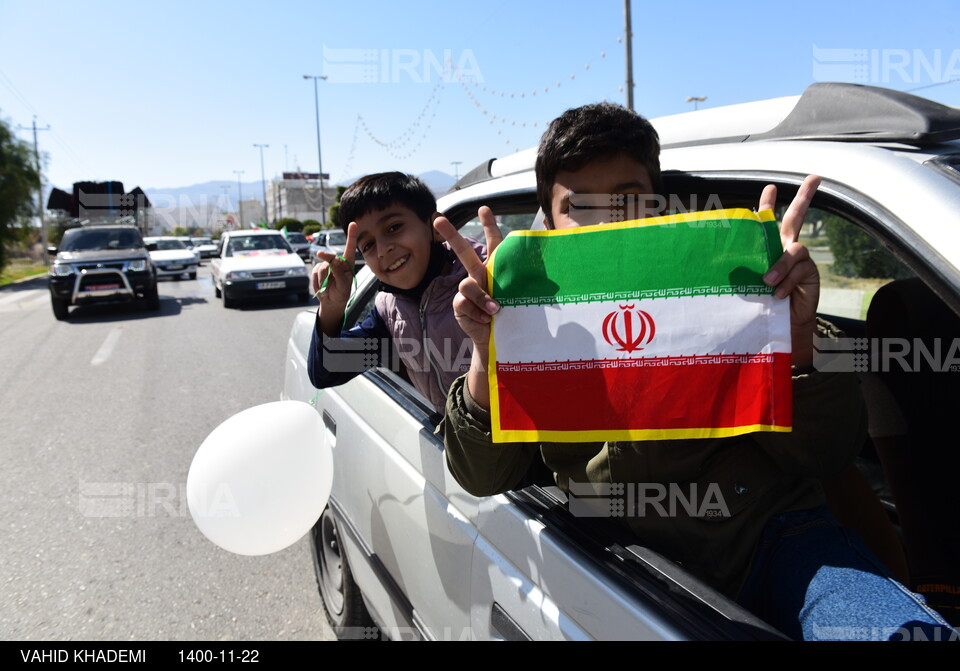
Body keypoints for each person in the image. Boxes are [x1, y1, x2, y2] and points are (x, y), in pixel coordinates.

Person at [433, 103, 957, 641]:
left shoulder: (740, 294)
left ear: (657, 207)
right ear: (549, 219)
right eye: (582, 208)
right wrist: (487, 352)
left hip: (777, 543)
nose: (611, 222)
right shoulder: (534, 325)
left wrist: (794, 342)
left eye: (629, 201)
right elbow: (480, 477)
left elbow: (827, 454)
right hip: (621, 567)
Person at [307, 171, 483, 411]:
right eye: (368, 245)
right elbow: (327, 370)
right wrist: (332, 307)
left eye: (393, 227)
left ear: (436, 228)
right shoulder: (389, 315)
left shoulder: (484, 278)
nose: (382, 250)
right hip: (461, 444)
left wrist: (507, 290)